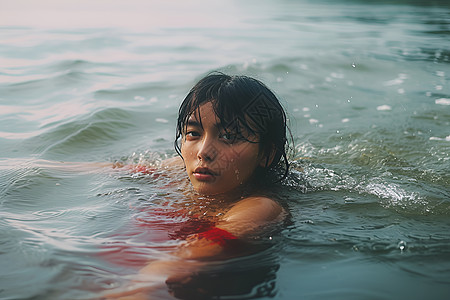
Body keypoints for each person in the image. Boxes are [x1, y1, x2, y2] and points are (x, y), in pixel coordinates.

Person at [102, 72, 292, 299]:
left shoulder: (261, 207)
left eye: (229, 136)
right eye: (193, 133)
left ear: (267, 155)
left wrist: (133, 289)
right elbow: (115, 168)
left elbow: (181, 261)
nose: (203, 152)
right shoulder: (180, 167)